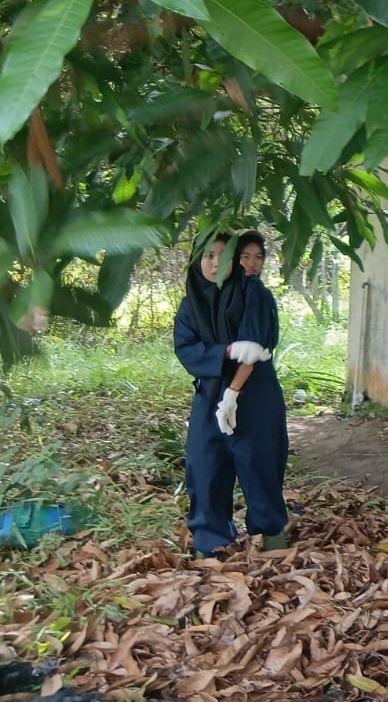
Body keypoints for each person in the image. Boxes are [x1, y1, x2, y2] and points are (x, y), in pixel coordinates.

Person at [172, 232, 290, 557]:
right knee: (205, 464)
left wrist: (233, 393)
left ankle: (271, 538)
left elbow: (254, 347)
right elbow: (186, 348)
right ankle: (210, 544)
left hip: (254, 395)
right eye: (208, 256)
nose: (215, 264)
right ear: (197, 260)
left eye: (223, 256)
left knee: (258, 463)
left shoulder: (252, 291)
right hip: (209, 395)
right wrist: (226, 352)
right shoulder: (190, 303)